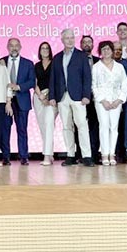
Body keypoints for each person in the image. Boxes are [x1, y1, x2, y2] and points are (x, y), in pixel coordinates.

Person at [49, 28, 94, 167]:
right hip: (62, 97)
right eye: (67, 38)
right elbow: (53, 79)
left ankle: (86, 156)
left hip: (78, 97)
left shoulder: (82, 56)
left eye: (72, 37)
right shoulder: (57, 57)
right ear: (62, 40)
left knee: (82, 125)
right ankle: (70, 155)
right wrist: (52, 96)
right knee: (67, 127)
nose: (70, 40)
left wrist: (87, 95)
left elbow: (87, 77)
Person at [91, 41, 127, 166]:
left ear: (112, 51)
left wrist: (119, 100)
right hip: (102, 102)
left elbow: (124, 84)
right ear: (100, 52)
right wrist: (102, 100)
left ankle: (112, 153)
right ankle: (104, 154)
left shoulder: (119, 67)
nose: (106, 51)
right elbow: (93, 85)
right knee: (103, 126)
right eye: (103, 49)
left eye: (108, 49)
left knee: (114, 127)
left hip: (116, 101)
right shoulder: (96, 67)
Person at [2, 38, 35, 165]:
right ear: (7, 47)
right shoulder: (1, 62)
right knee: (5, 129)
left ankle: (23, 156)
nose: (14, 48)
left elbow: (32, 81)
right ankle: (5, 156)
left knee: (22, 129)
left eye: (16, 45)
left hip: (22, 100)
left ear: (20, 47)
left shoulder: (28, 63)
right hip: (5, 101)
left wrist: (19, 87)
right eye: (11, 45)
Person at [33, 41, 57, 166]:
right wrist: (40, 96)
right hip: (38, 97)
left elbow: (58, 82)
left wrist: (49, 96)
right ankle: (50, 153)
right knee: (43, 126)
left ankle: (46, 156)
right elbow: (34, 82)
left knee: (49, 124)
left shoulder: (55, 64)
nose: (45, 50)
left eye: (47, 48)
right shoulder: (36, 65)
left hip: (52, 98)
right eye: (42, 48)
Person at [79, 35, 100, 160]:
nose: (87, 44)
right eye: (84, 42)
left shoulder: (99, 61)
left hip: (95, 98)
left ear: (93, 45)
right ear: (81, 45)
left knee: (94, 126)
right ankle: (81, 154)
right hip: (80, 99)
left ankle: (94, 153)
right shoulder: (76, 60)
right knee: (79, 126)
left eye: (89, 42)